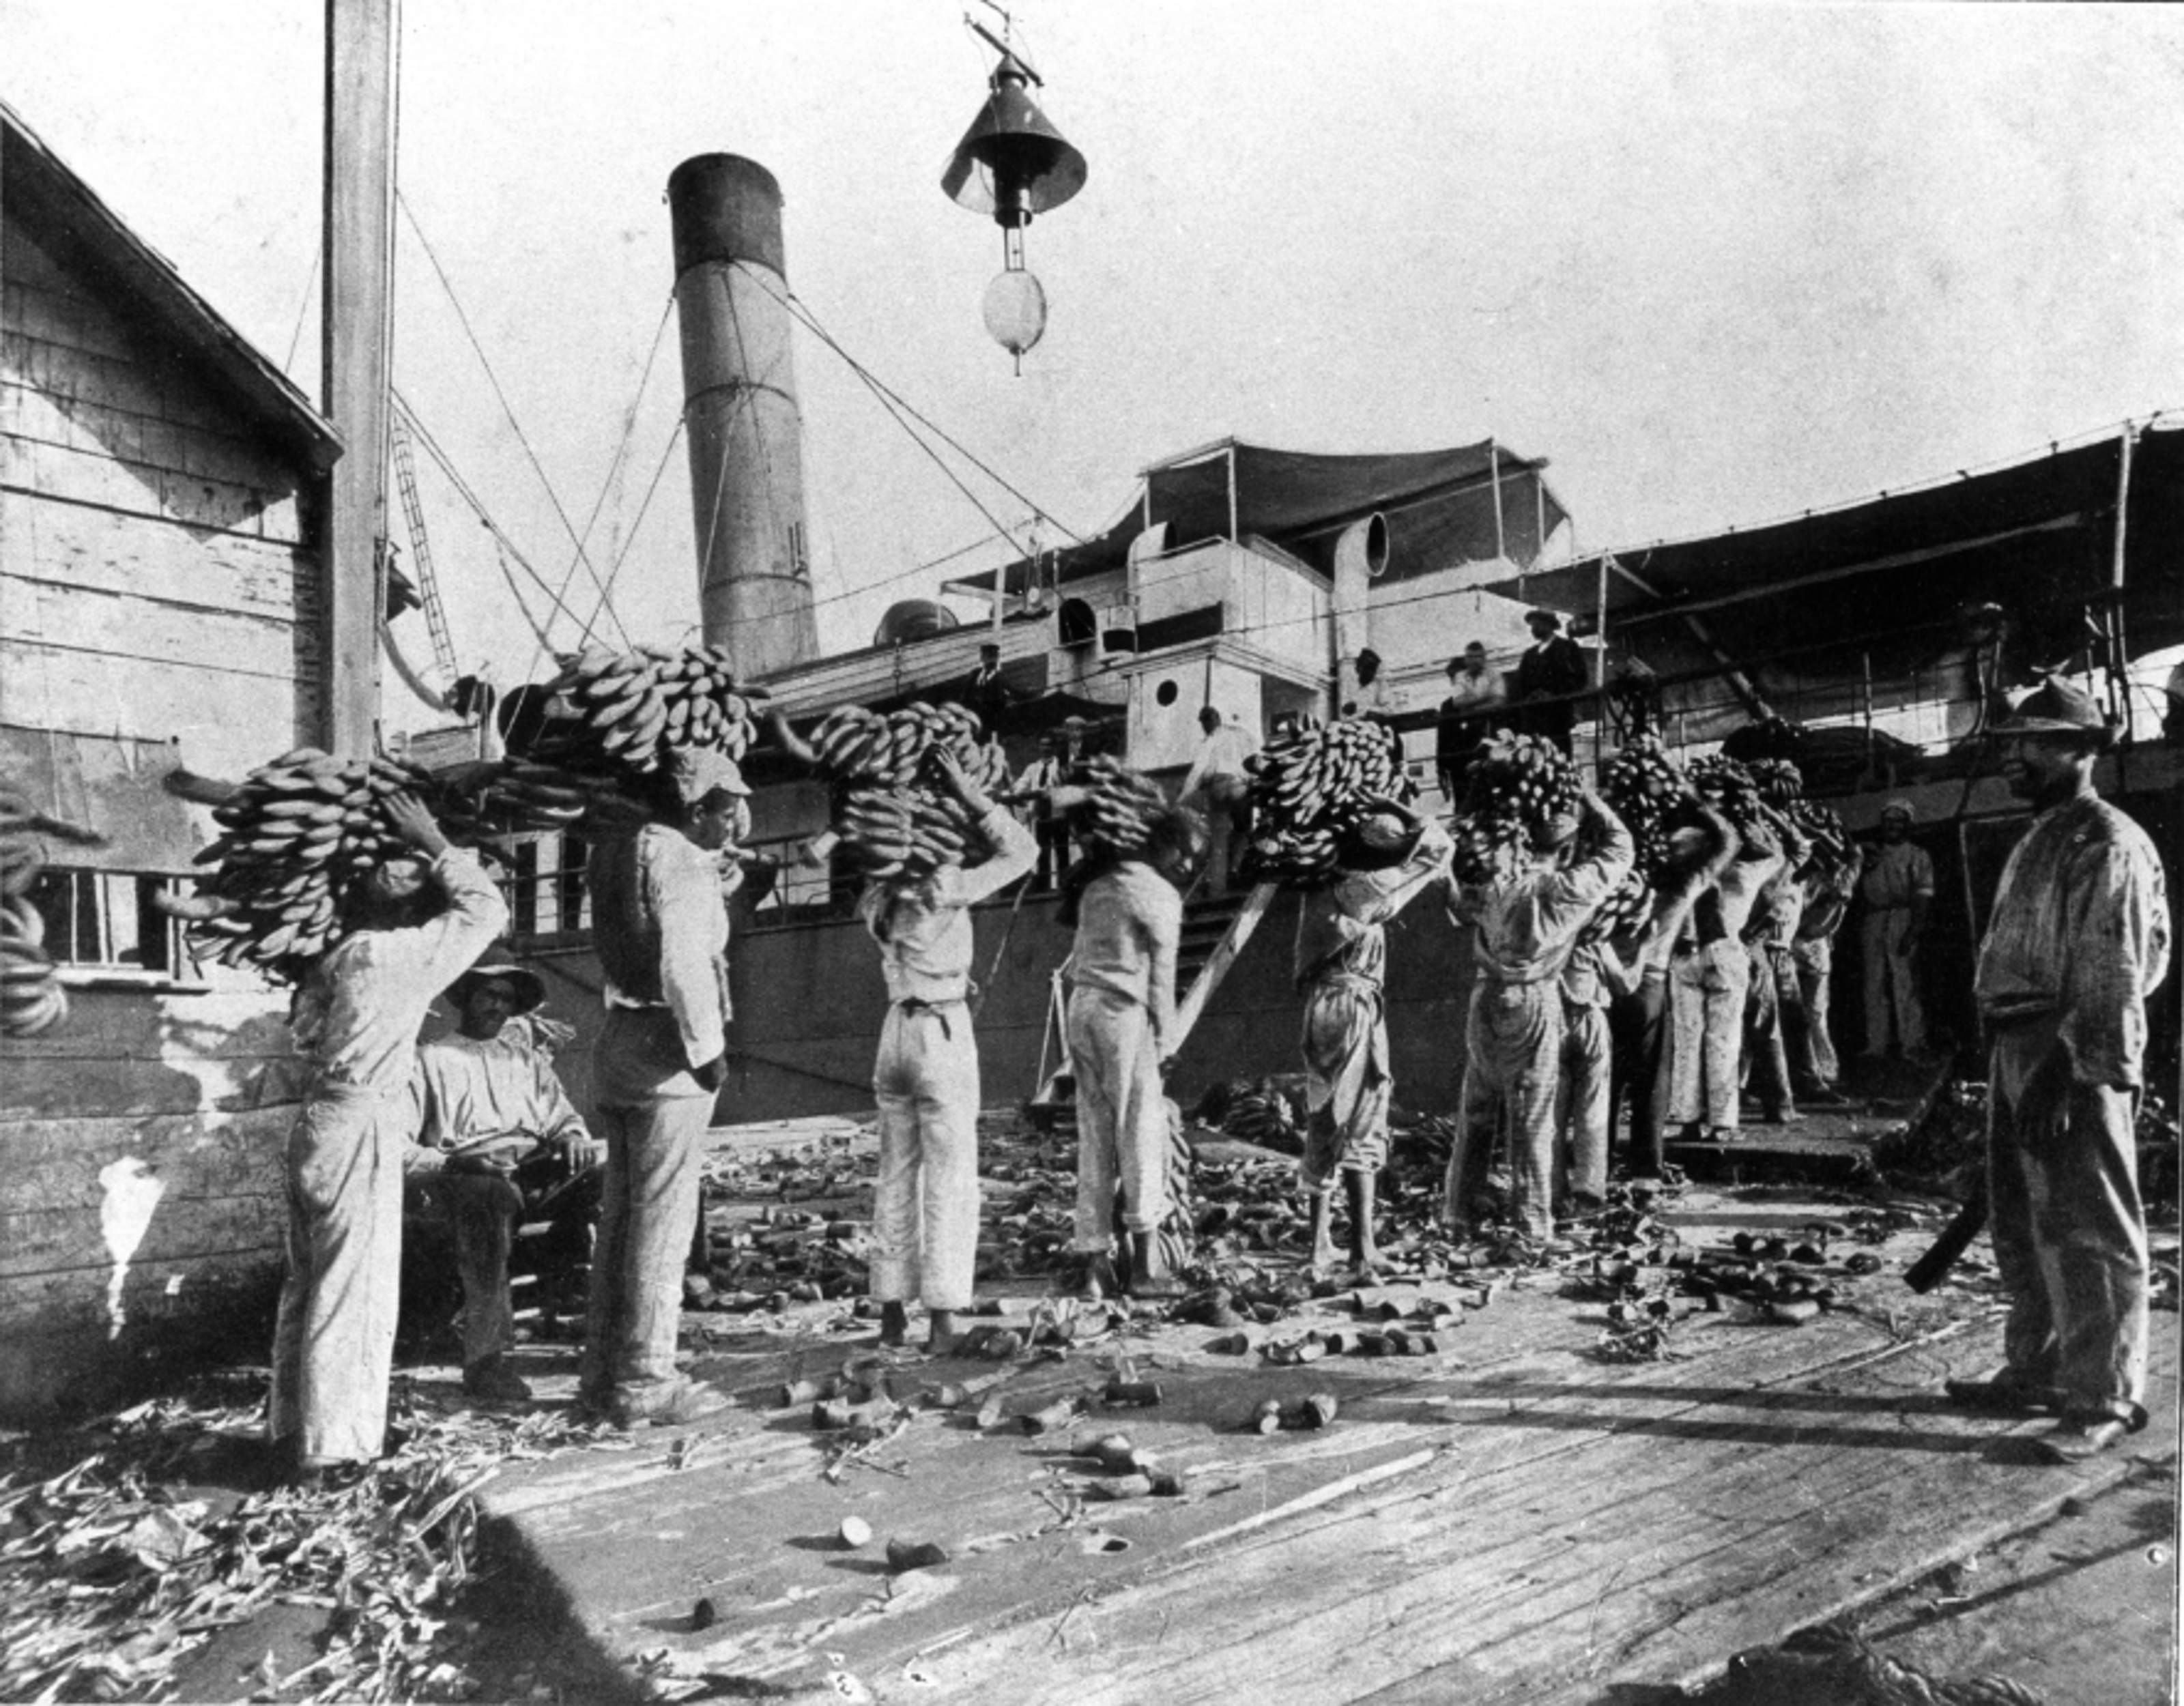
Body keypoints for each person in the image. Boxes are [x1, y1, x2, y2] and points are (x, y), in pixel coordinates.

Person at [1949, 677, 2170, 1463]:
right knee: (2019, 1217)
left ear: (2080, 751)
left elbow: (2110, 972)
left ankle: (2103, 1396)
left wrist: (2069, 1070)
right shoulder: (2041, 833)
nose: (2013, 756)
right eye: (2012, 742)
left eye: (2031, 742)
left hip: (2069, 1050)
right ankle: (2035, 1366)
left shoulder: (2105, 841)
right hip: (2018, 1042)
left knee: (2088, 1225)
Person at [271, 792, 505, 1485]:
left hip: (315, 1123)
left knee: (307, 1280)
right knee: (355, 1284)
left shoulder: (335, 956)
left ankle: (292, 1427)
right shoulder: (400, 955)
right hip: (363, 1120)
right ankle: (334, 1446)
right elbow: (486, 910)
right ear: (407, 905)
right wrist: (433, 838)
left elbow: (306, 1031)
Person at [579, 747, 747, 1429]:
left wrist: (715, 879)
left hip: (617, 1039)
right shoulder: (678, 859)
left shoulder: (618, 848)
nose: (734, 820)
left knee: (618, 1220)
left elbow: (647, 914)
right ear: (696, 807)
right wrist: (707, 1053)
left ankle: (600, 1376)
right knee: (662, 1222)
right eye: (724, 806)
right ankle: (647, 1380)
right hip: (665, 1049)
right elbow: (682, 961)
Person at [857, 749, 1036, 1352]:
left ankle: (889, 1310)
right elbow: (1023, 852)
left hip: (893, 1029)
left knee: (895, 1174)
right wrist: (971, 797)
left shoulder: (879, 899)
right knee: (952, 1178)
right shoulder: (947, 886)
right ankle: (941, 1316)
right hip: (943, 1034)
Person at [405, 962, 603, 1404]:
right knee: (489, 1200)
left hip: (532, 1167)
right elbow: (405, 1146)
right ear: (464, 998)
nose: (497, 1006)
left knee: (609, 1181)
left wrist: (572, 1136)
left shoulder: (527, 1061)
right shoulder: (431, 1059)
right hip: (468, 1174)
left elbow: (562, 1116)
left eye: (506, 999)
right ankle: (485, 1363)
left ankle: (608, 1334)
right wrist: (460, 1161)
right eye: (488, 995)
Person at [1445, 791, 1633, 1241]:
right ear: (1566, 850)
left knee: (1476, 1107)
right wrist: (1591, 801)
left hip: (1485, 997)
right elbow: (1621, 848)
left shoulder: (1491, 883)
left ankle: (1458, 1213)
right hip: (1533, 1000)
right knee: (1532, 1114)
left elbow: (1456, 904)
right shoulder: (1565, 890)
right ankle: (1531, 1223)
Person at [1294, 803, 1452, 1275]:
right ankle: (1363, 1248)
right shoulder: (1366, 890)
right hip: (1353, 1008)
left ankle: (1319, 1244)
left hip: (1320, 1009)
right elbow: (1440, 847)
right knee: (1364, 1116)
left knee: (1322, 1116)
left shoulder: (1322, 892)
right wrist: (1398, 810)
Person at [1060, 803, 1203, 1297]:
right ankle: (1146, 1267)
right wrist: (1165, 1040)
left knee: (1094, 1136)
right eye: (1184, 852)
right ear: (1159, 845)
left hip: (1081, 1009)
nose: (1188, 864)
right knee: (1141, 1134)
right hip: (1124, 1015)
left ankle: (1095, 1265)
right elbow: (1162, 978)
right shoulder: (1158, 893)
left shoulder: (1097, 886)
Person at [1608, 803, 1738, 1177]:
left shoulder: (1623, 883)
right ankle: (1646, 1167)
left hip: (1608, 983)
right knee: (1650, 1082)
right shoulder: (1681, 890)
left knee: (1609, 1081)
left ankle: (1599, 1167)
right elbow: (1729, 841)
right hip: (1649, 982)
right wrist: (1688, 796)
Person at [1667, 787, 1784, 1144]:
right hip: (1725, 952)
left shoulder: (1675, 876)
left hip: (1684, 957)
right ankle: (1723, 1123)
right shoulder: (1742, 875)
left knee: (1687, 1040)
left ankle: (1686, 1119)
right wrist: (1756, 818)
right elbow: (1779, 856)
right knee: (1724, 1039)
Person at [1858, 798, 1934, 1062]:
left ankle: (1912, 1043)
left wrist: (1914, 929)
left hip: (1903, 915)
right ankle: (1876, 1045)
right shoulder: (1869, 854)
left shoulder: (1918, 855)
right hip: (1874, 918)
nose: (1893, 826)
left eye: (1899, 821)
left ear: (1907, 825)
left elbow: (1923, 896)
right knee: (1874, 983)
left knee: (1905, 982)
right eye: (1888, 821)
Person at [1180, 706, 1260, 893]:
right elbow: (1254, 758)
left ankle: (1214, 881)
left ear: (1210, 721)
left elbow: (1198, 772)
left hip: (1218, 787)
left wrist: (1183, 797)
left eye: (1205, 723)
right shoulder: (1240, 733)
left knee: (1218, 837)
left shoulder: (1211, 740)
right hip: (1239, 786)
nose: (1205, 727)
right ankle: (1234, 868)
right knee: (1243, 830)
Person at [1008, 719, 1083, 891]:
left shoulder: (1061, 766)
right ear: (1038, 747)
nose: (1045, 749)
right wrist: (1015, 793)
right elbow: (1021, 785)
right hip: (1041, 817)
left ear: (1054, 747)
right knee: (1042, 854)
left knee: (1062, 853)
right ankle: (1043, 888)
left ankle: (1065, 888)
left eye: (1049, 745)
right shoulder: (1033, 768)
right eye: (1042, 745)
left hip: (1058, 816)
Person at [1512, 609, 1589, 756]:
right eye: (1532, 625)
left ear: (1550, 625)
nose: (1534, 629)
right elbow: (1520, 684)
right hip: (1534, 718)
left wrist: (1555, 694)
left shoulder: (1567, 648)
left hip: (1558, 714)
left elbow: (1580, 679)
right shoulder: (1530, 655)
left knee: (1560, 755)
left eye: (1538, 624)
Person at [1435, 644, 1505, 803]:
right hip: (1458, 766)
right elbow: (1443, 737)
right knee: (1463, 804)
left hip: (1483, 761)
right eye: (1453, 679)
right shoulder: (1448, 706)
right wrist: (1441, 768)